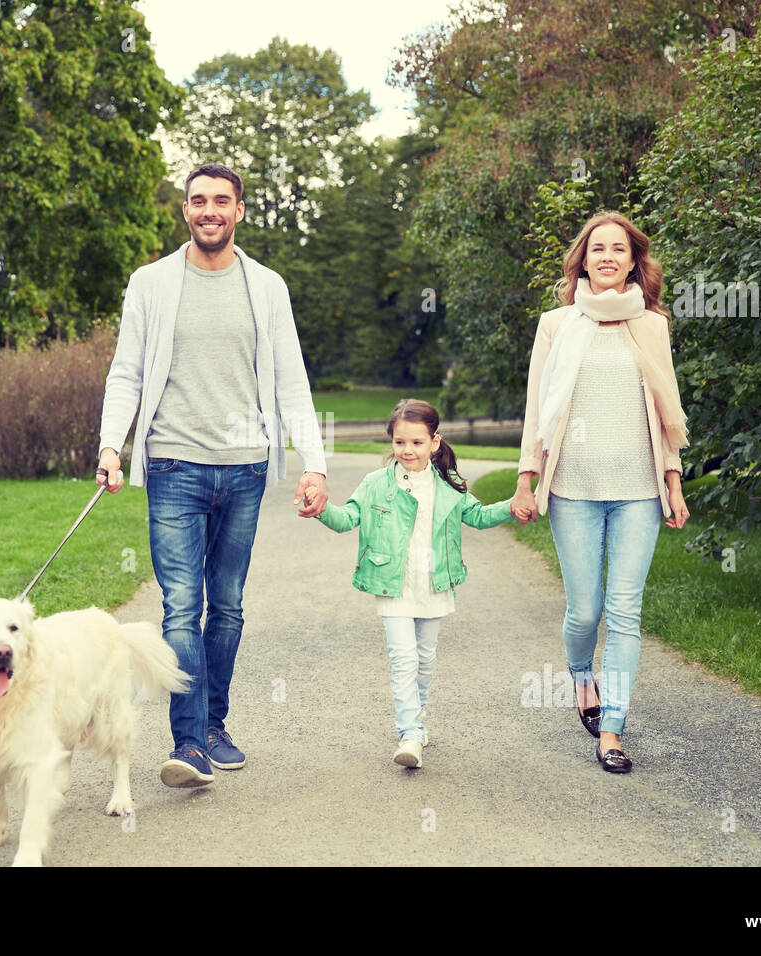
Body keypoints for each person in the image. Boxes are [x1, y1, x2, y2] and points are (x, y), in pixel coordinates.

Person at [95, 163, 329, 788]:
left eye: (221, 201)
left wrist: (316, 463)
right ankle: (189, 743)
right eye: (198, 201)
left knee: (225, 608)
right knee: (181, 609)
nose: (209, 211)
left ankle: (216, 722)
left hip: (246, 470)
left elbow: (291, 380)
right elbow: (126, 373)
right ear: (185, 211)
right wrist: (110, 446)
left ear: (240, 211)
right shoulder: (150, 284)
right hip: (173, 464)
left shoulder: (267, 287)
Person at [511, 211, 691, 773]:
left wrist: (673, 479)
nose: (607, 256)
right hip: (573, 486)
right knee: (585, 610)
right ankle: (582, 678)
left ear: (635, 261)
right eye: (597, 249)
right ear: (583, 261)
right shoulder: (556, 324)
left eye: (619, 249)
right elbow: (537, 404)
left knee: (624, 610)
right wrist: (526, 476)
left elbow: (666, 413)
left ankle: (611, 728)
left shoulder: (653, 326)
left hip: (638, 487)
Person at [306, 399, 514, 769]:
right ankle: (410, 733)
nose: (407, 450)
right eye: (400, 442)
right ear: (392, 442)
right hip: (393, 584)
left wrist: (512, 506)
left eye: (417, 443)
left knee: (425, 661)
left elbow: (479, 517)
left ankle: (415, 719)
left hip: (434, 584)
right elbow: (347, 518)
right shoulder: (375, 484)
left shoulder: (448, 486)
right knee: (403, 661)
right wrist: (321, 509)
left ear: (435, 442)